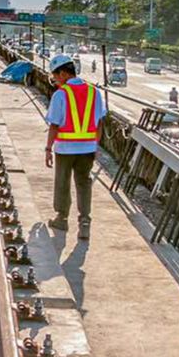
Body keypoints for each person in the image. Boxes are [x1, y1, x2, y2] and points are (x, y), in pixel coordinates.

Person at [45, 53, 107, 240]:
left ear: (63, 73)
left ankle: (62, 219)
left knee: (62, 182)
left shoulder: (60, 95)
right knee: (84, 184)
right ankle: (85, 223)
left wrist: (48, 148)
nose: (54, 79)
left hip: (65, 149)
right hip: (87, 149)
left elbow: (54, 125)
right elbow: (100, 123)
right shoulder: (94, 92)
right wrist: (95, 145)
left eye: (55, 76)